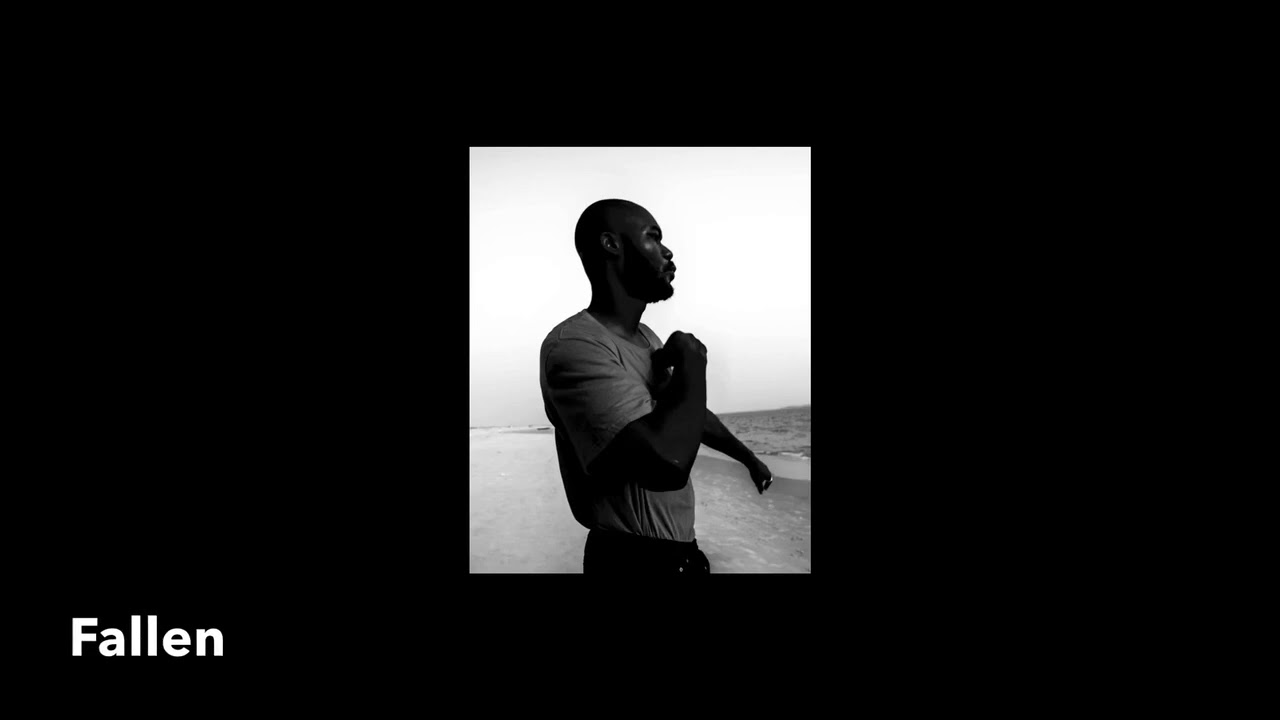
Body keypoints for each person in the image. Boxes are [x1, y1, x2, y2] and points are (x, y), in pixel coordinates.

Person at [539, 199, 774, 574]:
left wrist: (747, 457)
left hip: (681, 554)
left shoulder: (647, 338)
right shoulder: (576, 346)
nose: (667, 252)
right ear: (611, 245)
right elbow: (667, 465)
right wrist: (693, 363)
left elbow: (683, 413)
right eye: (653, 237)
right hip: (630, 559)